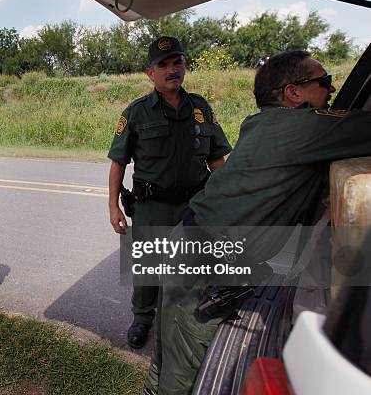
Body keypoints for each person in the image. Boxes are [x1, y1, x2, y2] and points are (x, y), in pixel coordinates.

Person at [144, 50, 371, 394]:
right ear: (293, 93)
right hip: (205, 259)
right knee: (183, 371)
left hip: (191, 243)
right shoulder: (302, 127)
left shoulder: (264, 122)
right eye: (324, 83)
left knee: (170, 347)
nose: (332, 90)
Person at [107, 36, 232, 349]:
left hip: (195, 202)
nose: (172, 69)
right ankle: (143, 317)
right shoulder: (136, 113)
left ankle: (187, 317)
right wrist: (112, 205)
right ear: (151, 73)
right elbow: (118, 162)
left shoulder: (201, 108)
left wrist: (229, 199)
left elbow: (217, 159)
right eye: (163, 64)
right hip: (152, 206)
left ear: (185, 66)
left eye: (178, 62)